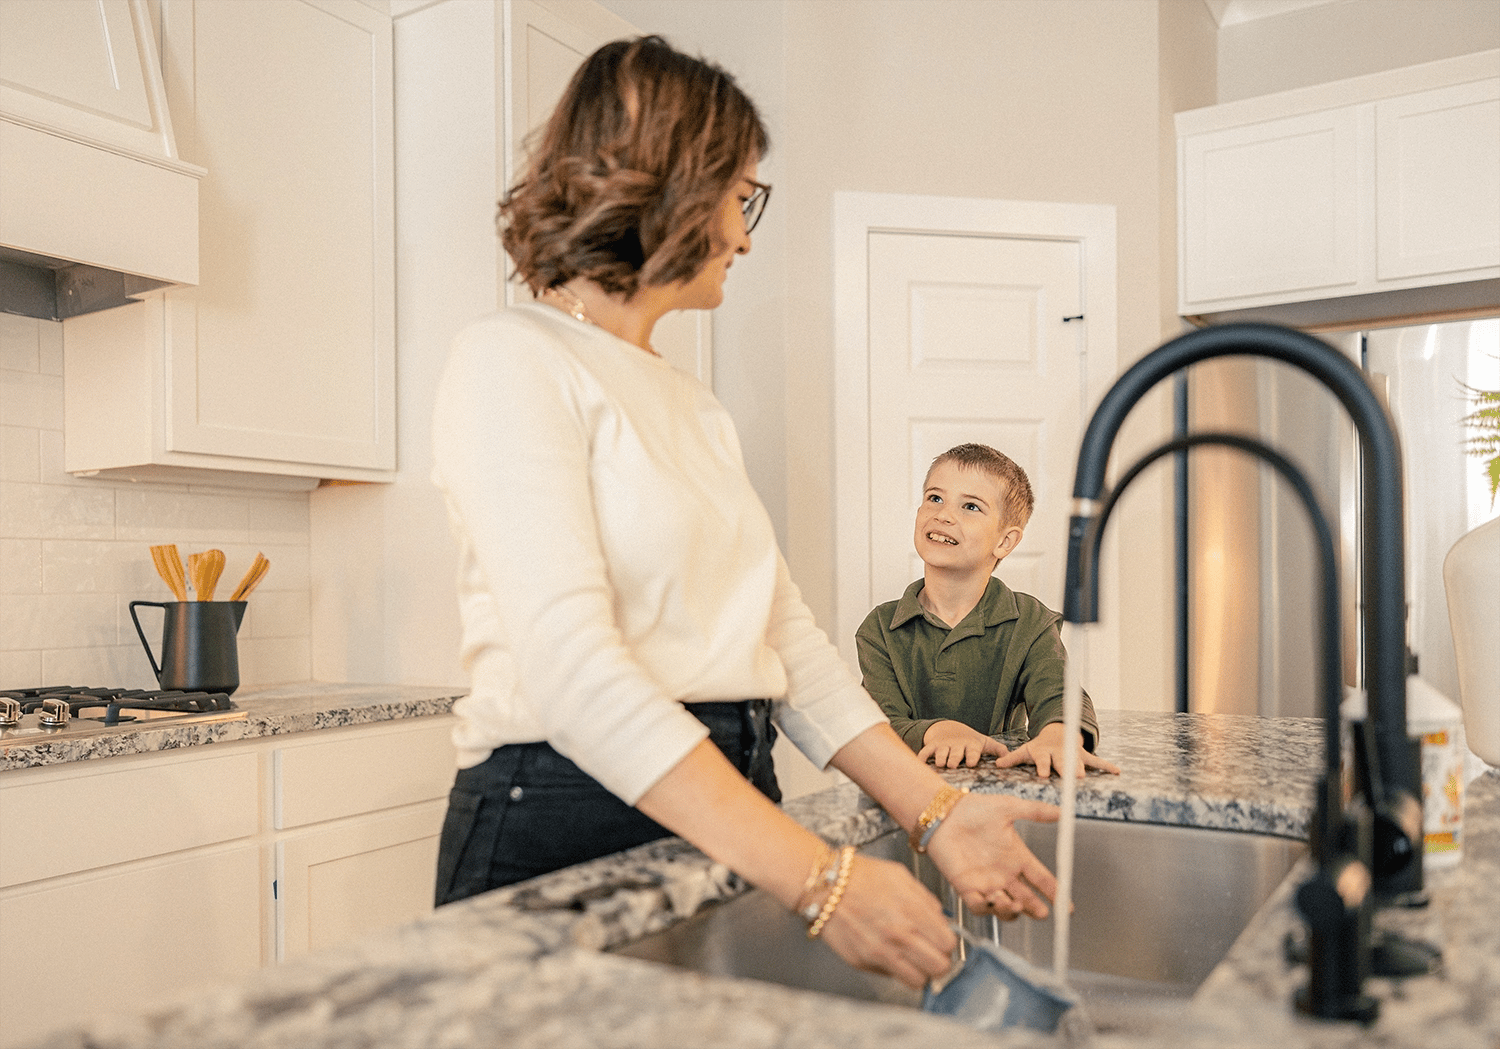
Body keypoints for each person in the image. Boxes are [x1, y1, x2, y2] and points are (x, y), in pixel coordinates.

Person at [430, 36, 1062, 991]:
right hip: (559, 816)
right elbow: (573, 675)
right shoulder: (511, 358)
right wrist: (822, 881)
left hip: (723, 796)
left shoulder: (692, 406)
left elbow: (789, 647)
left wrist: (938, 810)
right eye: (741, 196)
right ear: (673, 188)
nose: (747, 233)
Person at [857, 443, 1122, 778]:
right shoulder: (880, 629)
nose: (944, 514)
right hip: (898, 796)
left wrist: (1058, 735)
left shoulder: (1031, 622)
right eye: (935, 498)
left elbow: (1058, 692)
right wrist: (937, 731)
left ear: (1005, 541)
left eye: (970, 506)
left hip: (999, 792)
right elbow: (879, 725)